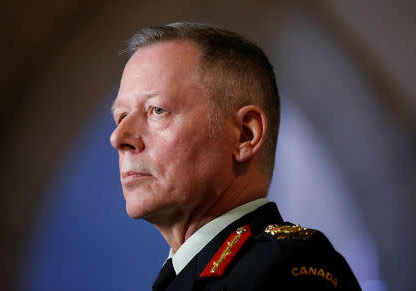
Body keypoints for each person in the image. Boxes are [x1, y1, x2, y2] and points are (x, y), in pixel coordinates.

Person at [110, 22, 361, 290]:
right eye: (121, 116)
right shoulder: (191, 275)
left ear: (244, 135)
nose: (119, 138)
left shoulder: (290, 271)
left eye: (157, 110)